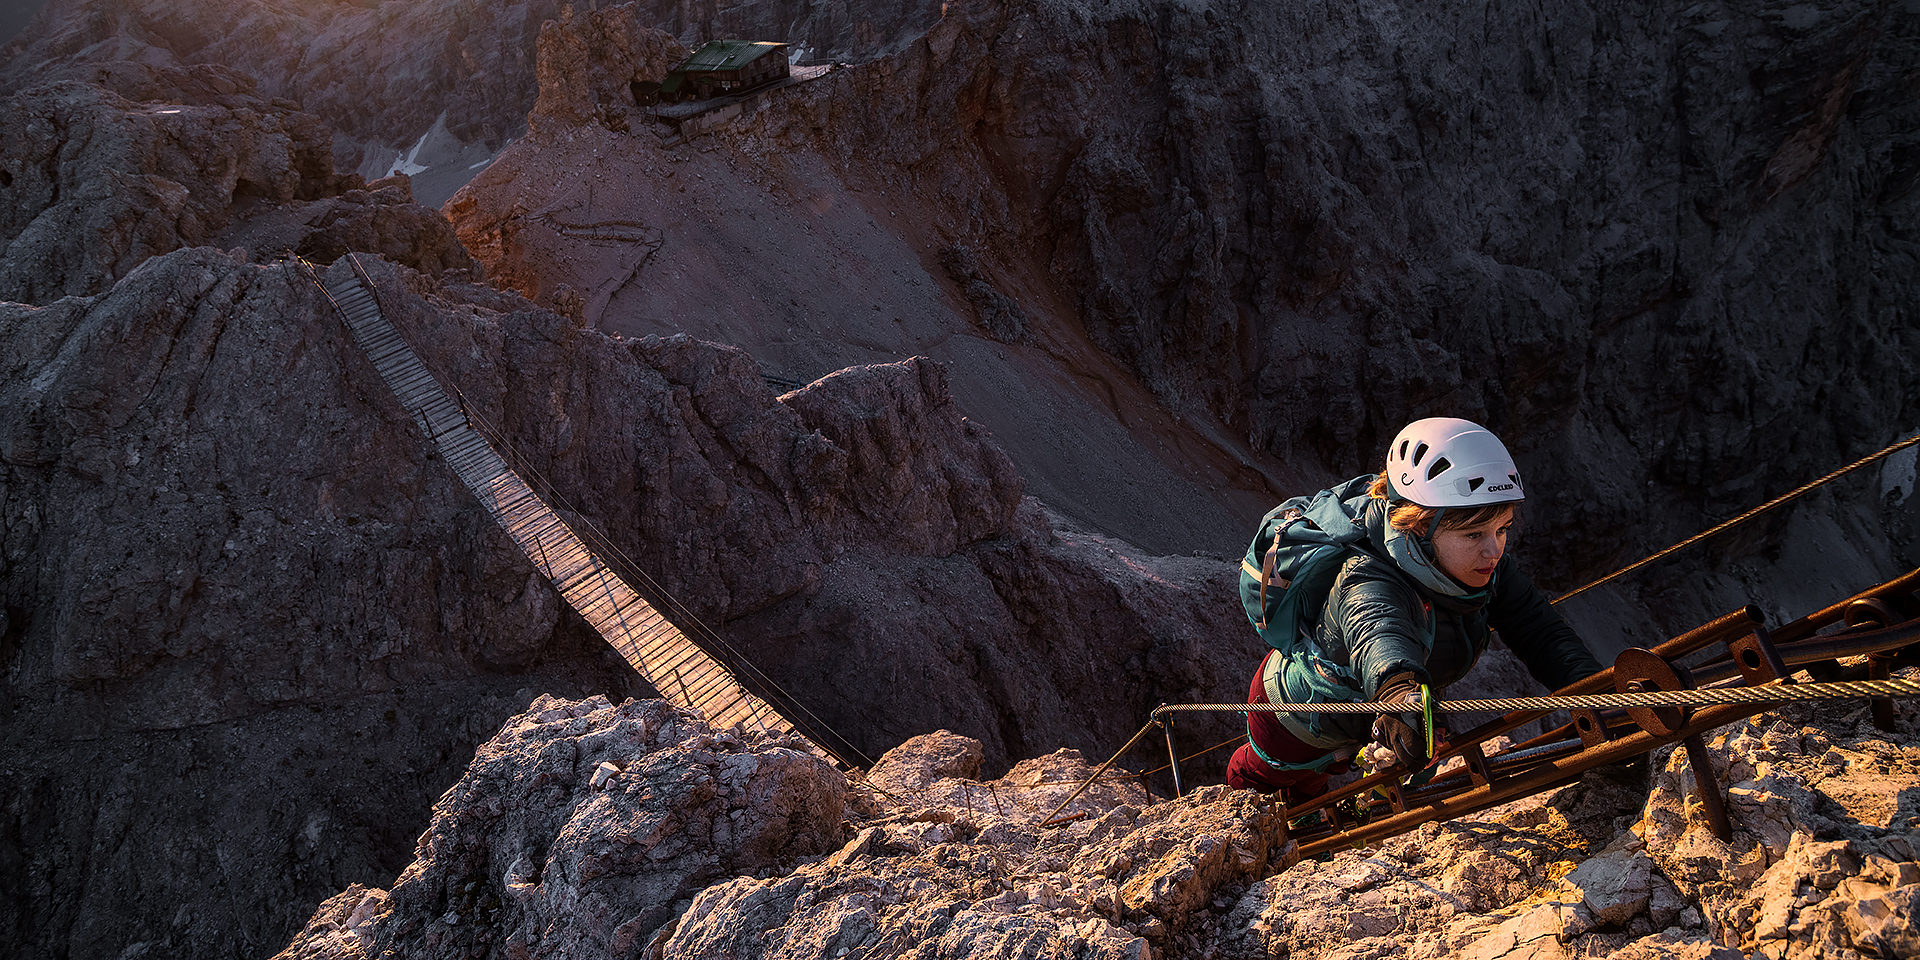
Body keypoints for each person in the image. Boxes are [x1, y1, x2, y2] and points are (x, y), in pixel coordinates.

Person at [1225, 417, 1603, 802]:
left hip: (1353, 711)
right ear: (1420, 527)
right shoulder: (1368, 577)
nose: (1493, 551)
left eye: (1502, 529)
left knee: (1329, 768)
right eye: (1474, 534)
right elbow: (1377, 632)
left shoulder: (1485, 568)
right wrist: (1400, 692)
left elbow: (1541, 633)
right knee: (1271, 777)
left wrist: (1601, 692)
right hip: (1292, 712)